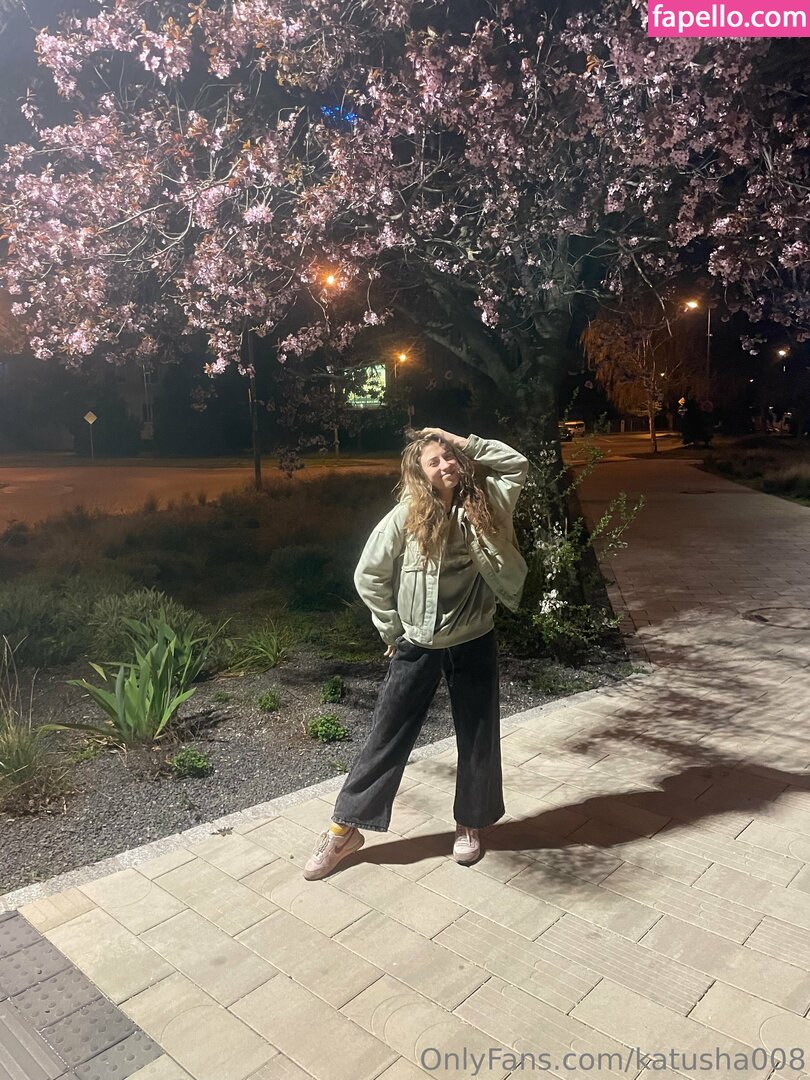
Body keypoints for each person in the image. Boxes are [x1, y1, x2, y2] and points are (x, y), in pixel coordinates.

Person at [303, 426, 529, 881]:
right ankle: (343, 831)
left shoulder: (487, 502)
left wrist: (462, 441)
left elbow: (516, 465)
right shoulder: (406, 516)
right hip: (419, 643)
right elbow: (368, 575)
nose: (446, 465)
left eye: (450, 457)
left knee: (478, 735)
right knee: (386, 735)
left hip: (474, 637)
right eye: (434, 460)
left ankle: (470, 823)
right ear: (420, 473)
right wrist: (392, 629)